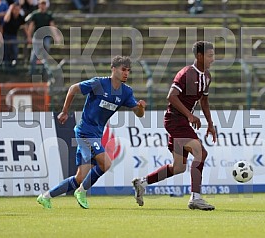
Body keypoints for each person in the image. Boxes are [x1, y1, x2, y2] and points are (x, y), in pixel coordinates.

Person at [37, 55, 146, 209]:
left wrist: (141, 108)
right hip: (85, 132)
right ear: (113, 69)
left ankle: (45, 197)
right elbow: (73, 89)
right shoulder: (99, 83)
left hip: (96, 134)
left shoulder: (126, 92)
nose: (126, 73)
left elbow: (138, 112)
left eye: (128, 70)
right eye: (123, 69)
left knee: (80, 177)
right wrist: (64, 111)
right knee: (106, 163)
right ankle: (82, 192)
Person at [132, 41, 217, 211]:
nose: (212, 59)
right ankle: (196, 198)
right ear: (199, 56)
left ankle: (142, 182)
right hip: (175, 120)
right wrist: (190, 115)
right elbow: (171, 97)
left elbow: (204, 101)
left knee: (178, 167)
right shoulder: (186, 73)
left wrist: (210, 124)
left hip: (182, 121)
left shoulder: (206, 76)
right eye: (210, 55)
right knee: (201, 152)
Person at [26, 0, 59, 75]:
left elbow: (52, 26)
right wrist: (29, 36)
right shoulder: (35, 15)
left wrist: (56, 36)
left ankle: (44, 72)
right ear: (39, 5)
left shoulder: (48, 15)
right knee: (34, 54)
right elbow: (31, 26)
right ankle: (32, 72)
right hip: (37, 37)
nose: (42, 6)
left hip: (46, 37)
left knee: (46, 55)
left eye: (44, 4)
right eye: (41, 4)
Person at [3, 2, 27, 66]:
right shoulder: (9, 15)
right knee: (6, 52)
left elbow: (25, 27)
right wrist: (10, 9)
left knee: (15, 51)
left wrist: (28, 36)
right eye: (15, 9)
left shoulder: (20, 17)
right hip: (6, 35)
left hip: (13, 36)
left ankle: (14, 66)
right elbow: (6, 20)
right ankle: (6, 67)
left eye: (18, 9)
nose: (16, 11)